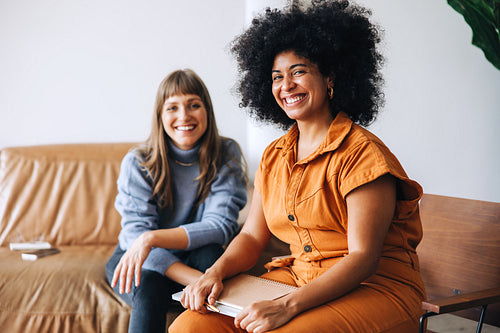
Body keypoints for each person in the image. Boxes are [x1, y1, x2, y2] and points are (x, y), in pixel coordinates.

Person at [169, 1, 426, 333]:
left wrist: (285, 306)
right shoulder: (275, 155)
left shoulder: (363, 154)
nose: (286, 86)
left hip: (375, 287)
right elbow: (250, 236)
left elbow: (363, 258)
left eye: (299, 71)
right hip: (297, 277)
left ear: (331, 77)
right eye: (277, 76)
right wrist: (213, 275)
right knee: (189, 326)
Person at [105, 69, 247, 333]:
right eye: (173, 107)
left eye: (194, 105)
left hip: (199, 256)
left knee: (211, 253)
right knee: (150, 287)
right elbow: (136, 236)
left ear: (207, 111)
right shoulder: (138, 162)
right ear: (160, 115)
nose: (184, 116)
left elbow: (221, 226)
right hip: (144, 262)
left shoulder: (226, 153)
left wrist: (152, 238)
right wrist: (199, 280)